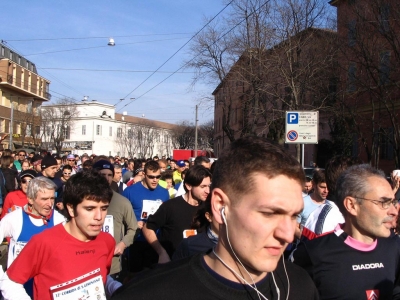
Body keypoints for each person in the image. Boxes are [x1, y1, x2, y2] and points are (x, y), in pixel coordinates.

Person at [112, 136, 319, 299]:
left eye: (294, 215)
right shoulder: (148, 293)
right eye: (269, 213)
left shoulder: (300, 285)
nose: (288, 235)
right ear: (220, 206)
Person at [0, 171, 119, 300]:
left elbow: (100, 277)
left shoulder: (107, 242)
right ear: (71, 209)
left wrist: (116, 287)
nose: (99, 217)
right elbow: (11, 281)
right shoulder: (43, 242)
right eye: (89, 209)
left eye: (103, 208)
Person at [292, 164, 400, 299]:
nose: (394, 211)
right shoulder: (314, 253)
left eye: (393, 202)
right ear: (352, 205)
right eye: (384, 202)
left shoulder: (394, 246)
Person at [0, 177, 65, 297]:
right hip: (17, 291)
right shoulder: (13, 219)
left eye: (52, 198)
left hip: (47, 292)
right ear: (30, 199)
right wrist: (2, 276)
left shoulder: (59, 221)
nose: (50, 204)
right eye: (44, 199)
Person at [142, 165, 211, 263]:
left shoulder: (208, 208)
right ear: (188, 186)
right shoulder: (171, 206)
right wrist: (161, 252)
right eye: (203, 186)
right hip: (173, 266)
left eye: (209, 186)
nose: (207, 191)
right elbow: (148, 227)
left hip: (199, 266)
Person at [93, 160, 137, 279]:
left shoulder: (121, 202)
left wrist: (122, 244)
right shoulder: (82, 200)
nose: (106, 178)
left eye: (109, 175)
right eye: (102, 175)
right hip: (88, 262)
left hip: (113, 265)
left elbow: (133, 228)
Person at [122, 160, 169, 272]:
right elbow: (121, 215)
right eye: (151, 177)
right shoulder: (130, 191)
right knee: (134, 277)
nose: (155, 180)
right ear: (144, 174)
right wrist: (133, 223)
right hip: (136, 240)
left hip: (156, 241)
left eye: (158, 177)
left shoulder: (164, 193)